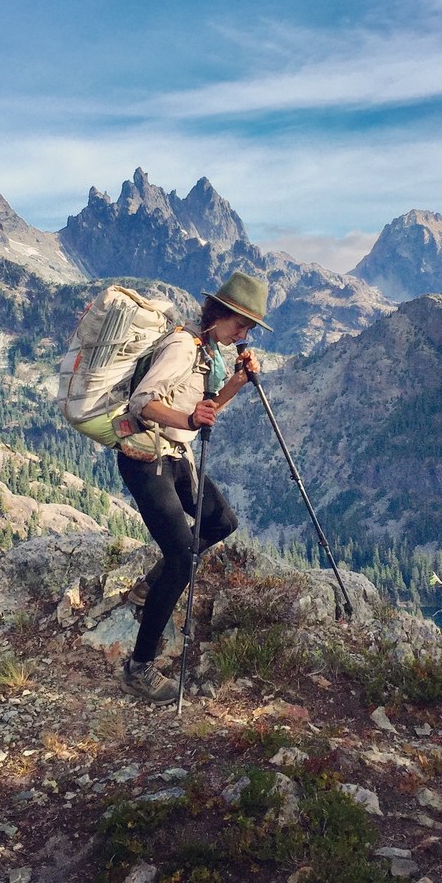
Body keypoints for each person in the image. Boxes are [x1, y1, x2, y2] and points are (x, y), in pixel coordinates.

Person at [116, 271, 271, 704]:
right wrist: (187, 422)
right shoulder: (183, 346)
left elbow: (204, 408)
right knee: (184, 559)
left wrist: (237, 382)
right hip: (146, 461)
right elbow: (142, 401)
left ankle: (151, 586)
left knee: (222, 521)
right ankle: (139, 667)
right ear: (220, 314)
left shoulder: (207, 350)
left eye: (249, 328)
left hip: (175, 455)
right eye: (241, 324)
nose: (244, 333)